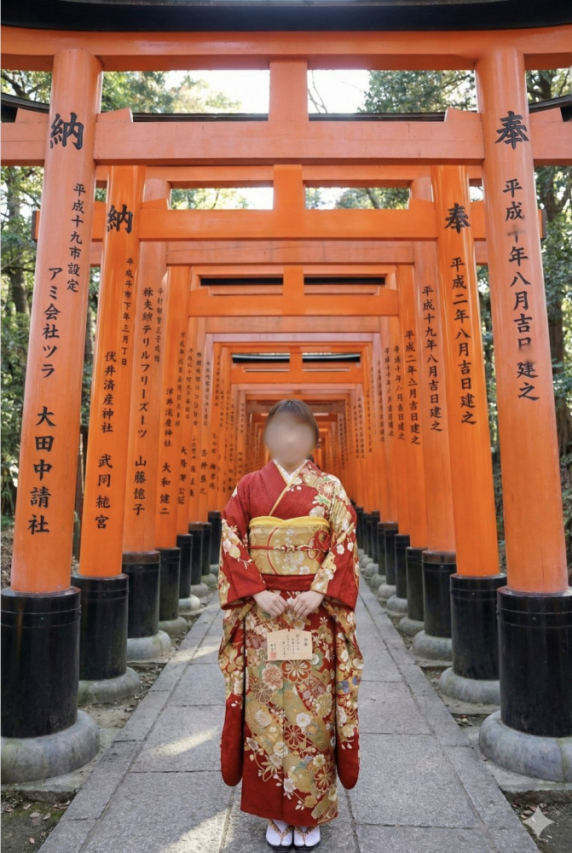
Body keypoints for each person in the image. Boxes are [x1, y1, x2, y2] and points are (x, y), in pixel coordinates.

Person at [217, 398, 363, 850]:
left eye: (299, 430)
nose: (289, 439)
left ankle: (308, 811)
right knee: (265, 716)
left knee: (311, 714)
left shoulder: (330, 488)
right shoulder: (247, 487)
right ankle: (272, 811)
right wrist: (255, 590)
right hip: (263, 618)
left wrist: (319, 590)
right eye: (281, 430)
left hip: (313, 618)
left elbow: (345, 540)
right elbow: (232, 538)